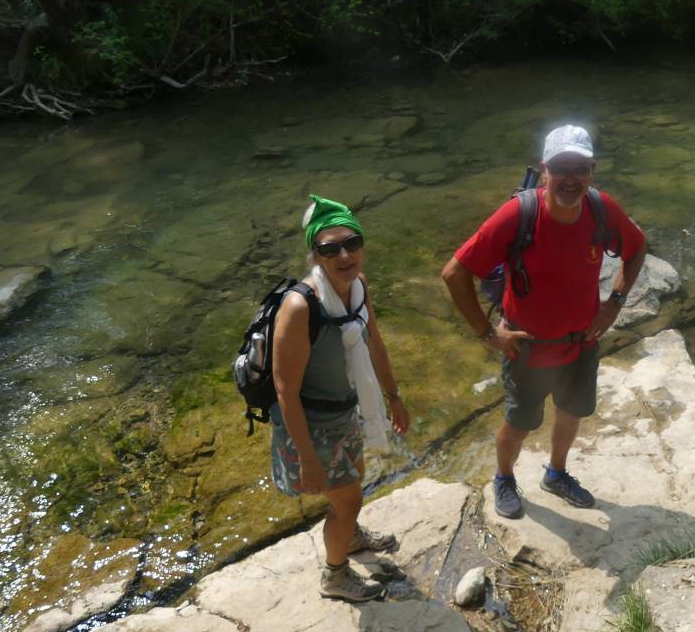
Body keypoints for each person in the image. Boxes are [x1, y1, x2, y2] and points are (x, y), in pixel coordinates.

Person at [442, 124, 646, 520]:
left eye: (579, 169)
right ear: (545, 170)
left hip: (581, 342)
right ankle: (504, 478)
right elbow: (454, 273)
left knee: (572, 413)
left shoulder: (602, 210)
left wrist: (614, 304)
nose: (570, 179)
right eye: (561, 168)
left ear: (592, 171)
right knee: (519, 425)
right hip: (527, 348)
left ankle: (556, 473)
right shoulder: (519, 214)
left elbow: (637, 249)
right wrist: (488, 334)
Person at [271, 194, 410, 602]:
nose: (344, 254)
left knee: (355, 482)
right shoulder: (300, 307)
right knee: (348, 500)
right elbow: (285, 391)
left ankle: (348, 536)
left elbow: (375, 343)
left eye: (352, 243)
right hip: (312, 425)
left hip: (347, 411)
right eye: (330, 248)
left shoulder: (357, 287)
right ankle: (335, 576)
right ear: (315, 254)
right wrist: (307, 458)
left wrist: (394, 398)